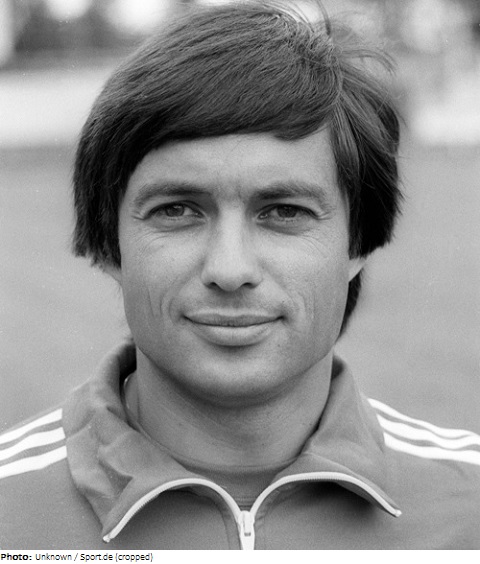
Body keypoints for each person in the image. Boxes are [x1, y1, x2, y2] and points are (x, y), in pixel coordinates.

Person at [1, 0, 479, 550]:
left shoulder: (468, 506)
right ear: (110, 244)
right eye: (177, 210)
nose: (230, 270)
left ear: (359, 243)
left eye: (284, 212)